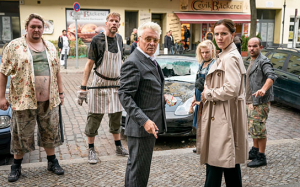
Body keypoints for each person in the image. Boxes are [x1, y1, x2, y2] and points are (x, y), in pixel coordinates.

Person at [0, 13, 64, 182]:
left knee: (50, 132)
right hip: (23, 100)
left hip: (48, 101)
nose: (36, 29)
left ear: (43, 29)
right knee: (21, 134)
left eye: (39, 27)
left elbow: (57, 72)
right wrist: (1, 97)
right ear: (26, 28)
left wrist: (61, 93)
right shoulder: (14, 46)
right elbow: (3, 72)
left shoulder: (50, 47)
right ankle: (16, 167)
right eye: (33, 26)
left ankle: (52, 162)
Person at [199, 19, 248, 187]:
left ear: (232, 35)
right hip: (224, 114)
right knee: (229, 162)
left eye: (224, 34)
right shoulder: (225, 55)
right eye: (217, 34)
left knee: (216, 160)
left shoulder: (230, 58)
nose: (219, 38)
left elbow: (232, 89)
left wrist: (208, 94)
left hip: (223, 116)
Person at [118, 22, 166, 187]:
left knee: (135, 170)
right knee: (139, 173)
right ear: (139, 39)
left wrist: (161, 96)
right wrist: (144, 121)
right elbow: (124, 96)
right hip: (141, 127)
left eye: (155, 40)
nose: (152, 43)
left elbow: (143, 89)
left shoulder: (149, 59)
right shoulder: (134, 61)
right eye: (148, 39)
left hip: (147, 126)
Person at [77, 12, 129, 165]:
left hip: (116, 85)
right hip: (99, 84)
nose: (114, 23)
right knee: (94, 117)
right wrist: (83, 87)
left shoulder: (120, 40)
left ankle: (118, 147)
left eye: (116, 21)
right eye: (111, 20)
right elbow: (89, 65)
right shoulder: (97, 40)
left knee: (116, 116)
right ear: (106, 23)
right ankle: (91, 149)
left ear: (119, 24)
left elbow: (121, 62)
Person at [246, 37, 277, 168]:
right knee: (254, 129)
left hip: (260, 102)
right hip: (251, 100)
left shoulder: (263, 61)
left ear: (260, 47)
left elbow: (271, 76)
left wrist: (263, 89)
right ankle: (254, 149)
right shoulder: (251, 61)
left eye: (255, 46)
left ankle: (261, 156)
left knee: (259, 129)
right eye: (249, 46)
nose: (252, 48)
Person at [191, 40, 216, 153]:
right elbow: (196, 81)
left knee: (206, 122)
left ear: (212, 51)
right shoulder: (201, 64)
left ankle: (207, 146)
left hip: (206, 96)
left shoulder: (214, 64)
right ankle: (200, 146)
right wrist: (194, 97)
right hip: (198, 94)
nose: (205, 55)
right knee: (199, 121)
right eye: (202, 52)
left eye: (207, 52)